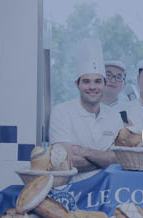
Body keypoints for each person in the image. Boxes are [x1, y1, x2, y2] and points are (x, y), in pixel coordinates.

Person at [49, 39, 122, 181]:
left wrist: (82, 151)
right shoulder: (61, 112)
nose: (92, 87)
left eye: (97, 81)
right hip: (71, 191)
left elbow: (119, 158)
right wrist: (105, 159)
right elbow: (64, 162)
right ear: (77, 84)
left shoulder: (114, 117)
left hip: (106, 191)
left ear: (104, 84)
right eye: (86, 81)